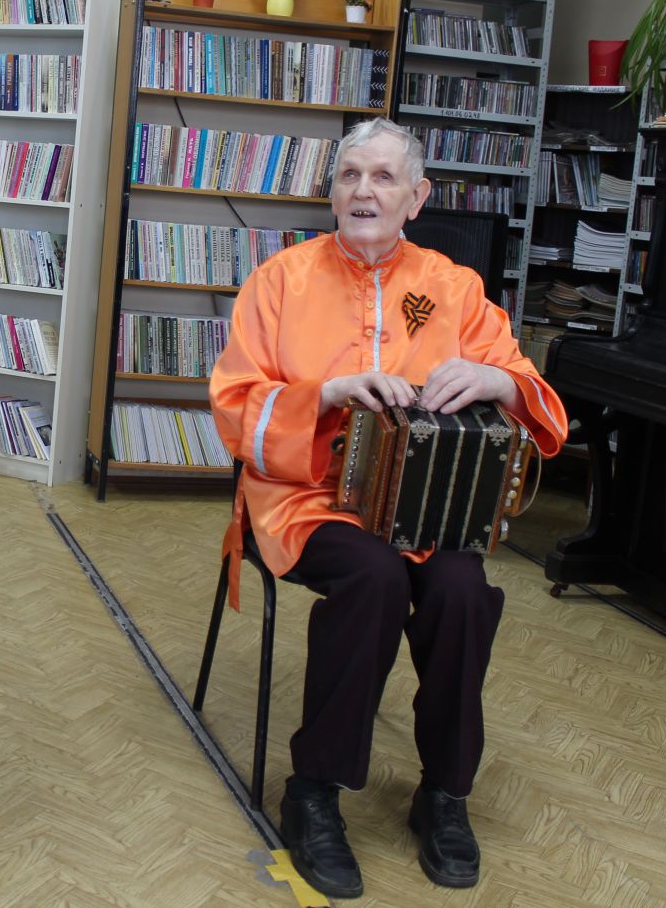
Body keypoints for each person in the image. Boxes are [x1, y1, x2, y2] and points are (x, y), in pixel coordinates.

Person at [208, 117, 566, 898]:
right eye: (349, 175)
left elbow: (535, 397)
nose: (363, 191)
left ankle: (445, 791)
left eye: (382, 177)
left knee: (462, 589)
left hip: (425, 500)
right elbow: (234, 408)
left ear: (416, 197)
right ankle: (313, 791)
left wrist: (498, 381)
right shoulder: (280, 280)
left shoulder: (453, 287)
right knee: (374, 577)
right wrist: (325, 393)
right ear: (332, 191)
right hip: (306, 496)